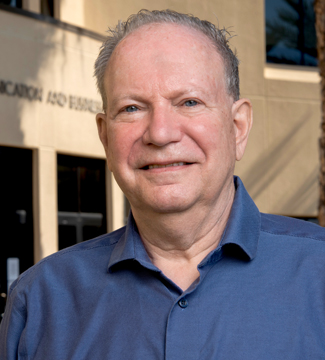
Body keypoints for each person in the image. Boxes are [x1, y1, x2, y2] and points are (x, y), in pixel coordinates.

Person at [1, 9, 325, 359]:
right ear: (105, 138)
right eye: (132, 108)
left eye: (189, 102)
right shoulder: (40, 302)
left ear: (237, 127)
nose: (160, 133)